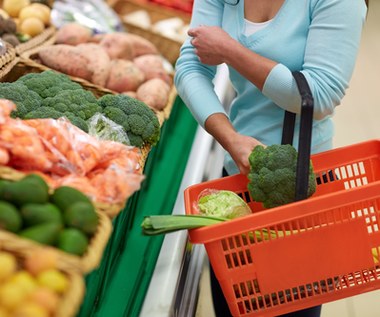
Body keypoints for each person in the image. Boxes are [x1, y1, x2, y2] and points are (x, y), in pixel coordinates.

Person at [174, 0, 368, 316]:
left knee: (292, 309)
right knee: (234, 305)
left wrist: (230, 50)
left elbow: (318, 96)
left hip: (304, 186)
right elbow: (191, 67)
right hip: (236, 175)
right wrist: (230, 137)